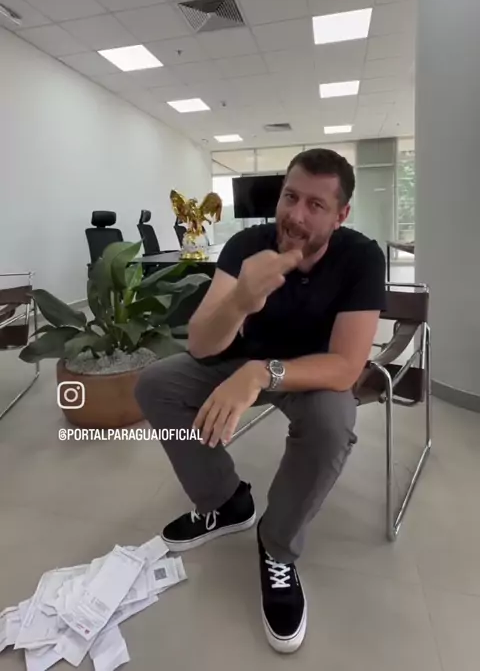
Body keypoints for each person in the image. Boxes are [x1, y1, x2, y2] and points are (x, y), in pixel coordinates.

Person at [135, 148, 386, 654]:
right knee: (156, 384)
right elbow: (201, 344)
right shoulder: (247, 247)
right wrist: (240, 301)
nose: (296, 215)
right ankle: (226, 501)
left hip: (310, 374)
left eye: (315, 205)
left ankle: (277, 546)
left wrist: (261, 373)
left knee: (332, 422)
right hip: (240, 360)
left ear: (340, 215)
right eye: (290, 197)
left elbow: (346, 366)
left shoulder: (360, 257)